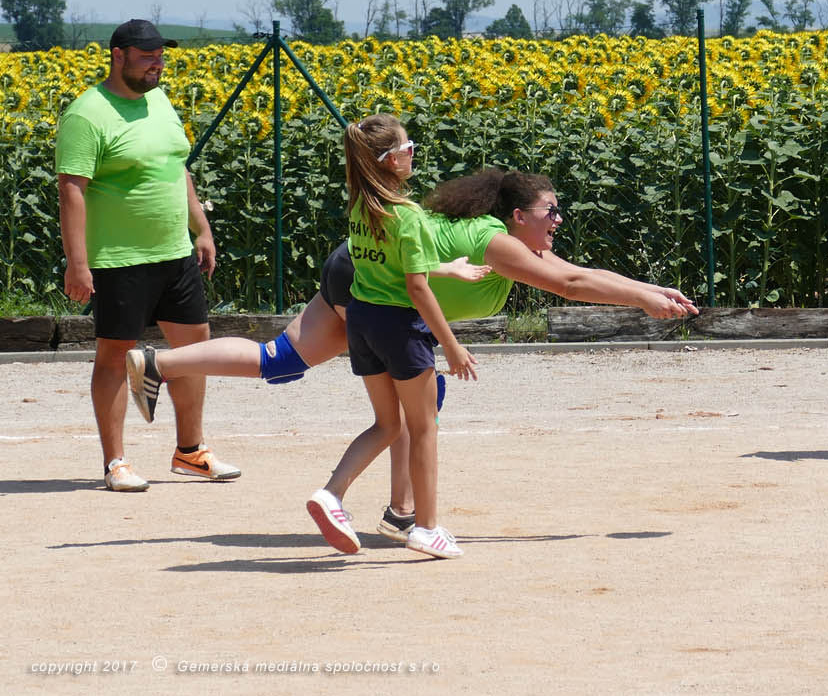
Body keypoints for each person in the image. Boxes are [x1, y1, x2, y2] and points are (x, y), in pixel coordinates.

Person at [128, 166, 698, 544]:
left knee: (281, 360)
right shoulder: (496, 242)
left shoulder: (507, 238)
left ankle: (159, 364)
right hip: (374, 285)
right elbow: (570, 285)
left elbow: (578, 272)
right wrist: (643, 302)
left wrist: (652, 291)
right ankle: (403, 514)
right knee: (418, 399)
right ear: (518, 217)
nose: (559, 219)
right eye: (551, 210)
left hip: (354, 265)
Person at [55, 19, 238, 492]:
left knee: (195, 350)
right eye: (146, 57)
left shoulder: (159, 100)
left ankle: (190, 451)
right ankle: (116, 462)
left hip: (174, 253)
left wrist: (201, 228)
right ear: (118, 56)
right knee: (114, 355)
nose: (157, 64)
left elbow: (177, 168)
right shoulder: (87, 114)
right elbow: (71, 189)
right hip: (119, 258)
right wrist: (78, 263)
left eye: (160, 56)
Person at [306, 113, 478, 560]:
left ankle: (331, 493)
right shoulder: (408, 214)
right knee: (423, 428)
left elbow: (391, 266)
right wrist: (452, 346)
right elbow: (417, 288)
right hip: (399, 327)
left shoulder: (362, 207)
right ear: (389, 160)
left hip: (362, 320)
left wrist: (447, 268)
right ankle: (425, 528)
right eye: (408, 148)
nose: (413, 154)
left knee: (389, 424)